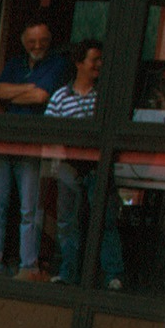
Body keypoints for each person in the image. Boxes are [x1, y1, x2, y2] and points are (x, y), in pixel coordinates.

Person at [0, 20, 68, 279]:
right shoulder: (15, 63)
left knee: (30, 209)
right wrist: (29, 88)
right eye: (31, 41)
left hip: (33, 144)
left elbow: (41, 97)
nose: (37, 46)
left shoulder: (58, 63)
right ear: (23, 41)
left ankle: (29, 266)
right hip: (4, 142)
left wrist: (15, 93)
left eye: (43, 41)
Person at [45, 39, 125, 289]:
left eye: (101, 60)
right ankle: (69, 273)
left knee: (105, 221)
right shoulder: (60, 96)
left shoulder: (105, 97)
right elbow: (49, 131)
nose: (99, 65)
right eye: (94, 60)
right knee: (68, 222)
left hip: (98, 167)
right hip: (70, 167)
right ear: (79, 63)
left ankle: (112, 275)